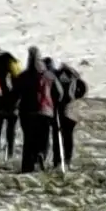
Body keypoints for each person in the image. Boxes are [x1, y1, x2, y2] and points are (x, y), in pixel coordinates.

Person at [18, 45, 58, 173]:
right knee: (43, 138)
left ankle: (27, 166)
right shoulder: (49, 76)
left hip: (27, 112)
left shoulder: (24, 76)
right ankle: (41, 154)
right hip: (45, 112)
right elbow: (59, 93)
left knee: (29, 139)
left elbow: (15, 93)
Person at [53, 61, 88, 170]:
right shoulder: (74, 77)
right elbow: (83, 88)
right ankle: (67, 159)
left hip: (58, 108)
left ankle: (57, 160)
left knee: (57, 136)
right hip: (70, 109)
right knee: (68, 136)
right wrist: (76, 97)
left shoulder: (56, 76)